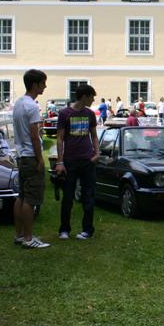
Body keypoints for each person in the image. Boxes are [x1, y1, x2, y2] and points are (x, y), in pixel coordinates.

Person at [55, 84, 100, 241]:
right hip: (70, 161)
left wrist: (97, 153)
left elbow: (94, 135)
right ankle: (64, 230)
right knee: (68, 197)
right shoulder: (64, 113)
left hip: (88, 161)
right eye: (91, 96)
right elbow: (59, 138)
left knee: (89, 197)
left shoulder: (90, 114)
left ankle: (87, 230)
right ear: (84, 96)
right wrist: (60, 161)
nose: (93, 99)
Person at [12, 69, 50, 249]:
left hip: (21, 155)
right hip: (30, 156)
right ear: (35, 84)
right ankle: (28, 238)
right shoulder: (33, 106)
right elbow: (35, 136)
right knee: (31, 199)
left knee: (21, 196)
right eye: (43, 83)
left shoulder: (19, 103)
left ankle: (20, 235)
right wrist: (40, 159)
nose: (45, 86)